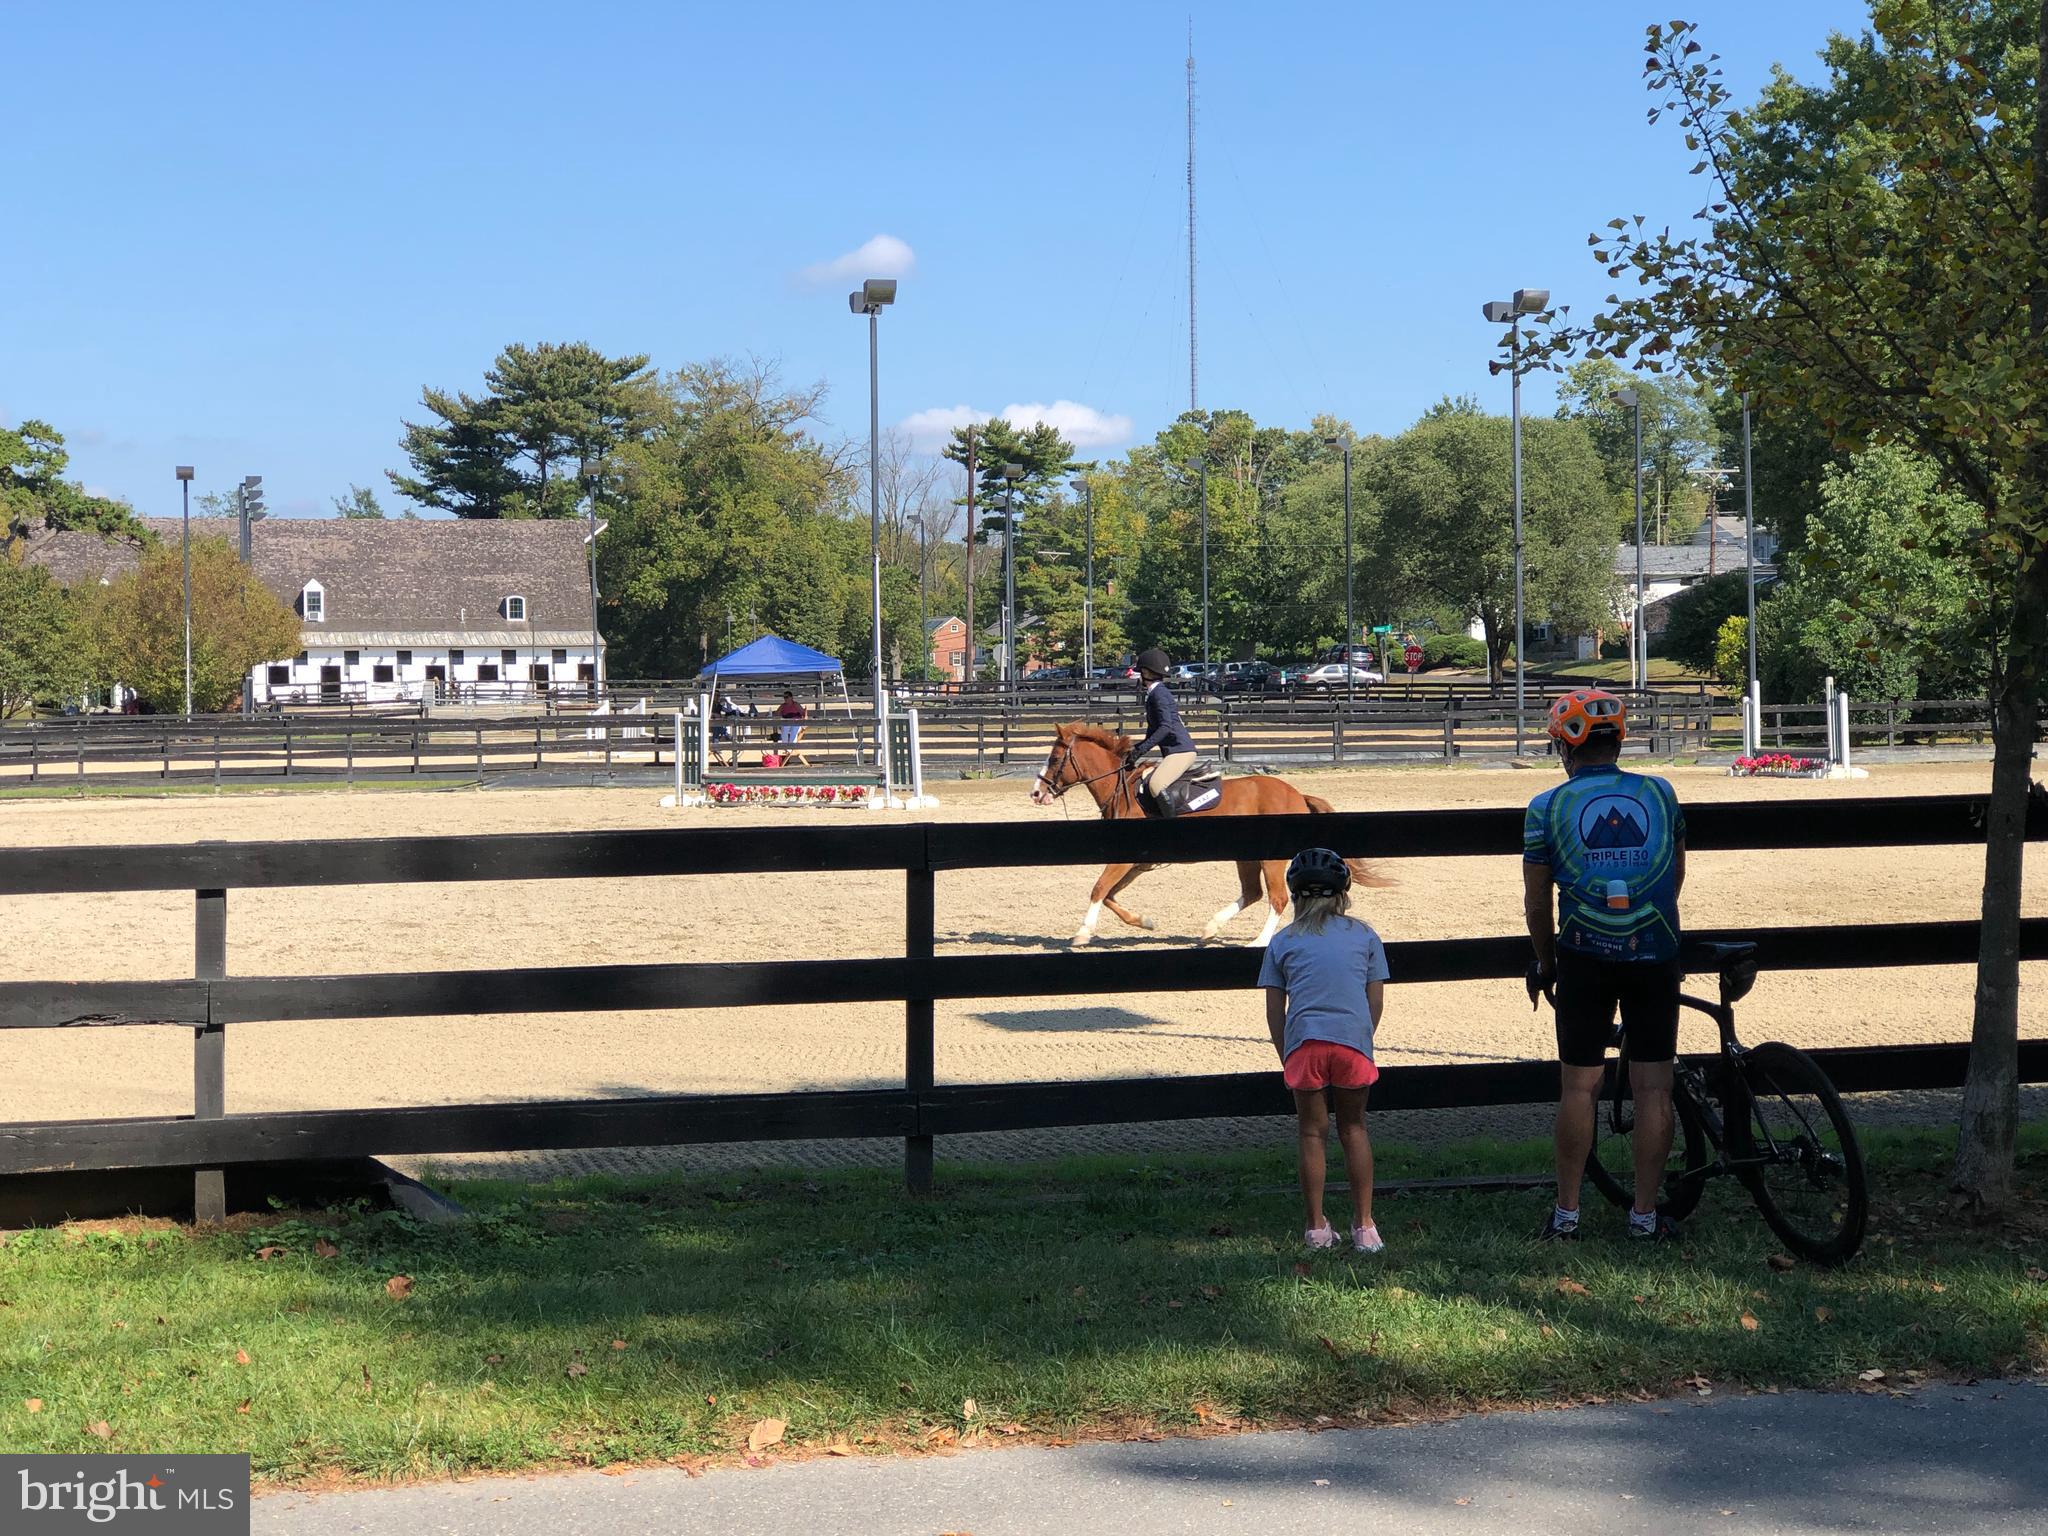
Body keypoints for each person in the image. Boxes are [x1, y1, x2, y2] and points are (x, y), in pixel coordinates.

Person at [1523, 687, 1687, 1243]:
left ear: (1565, 745)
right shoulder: (1661, 794)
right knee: (1654, 1088)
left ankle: (1566, 1215)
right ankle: (1643, 1216)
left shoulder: (1546, 807)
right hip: (1655, 949)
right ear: (1619, 739)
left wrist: (1546, 963)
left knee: (1578, 1088)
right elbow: (1675, 877)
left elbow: (1537, 902)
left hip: (1583, 953)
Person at [1258, 848, 1390, 1253]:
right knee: (1354, 1129)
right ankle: (1365, 1227)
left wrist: (1287, 1054)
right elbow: (1375, 1000)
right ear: (1343, 893)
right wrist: (1362, 1038)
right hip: (1352, 1043)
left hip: (1306, 1044)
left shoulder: (1283, 942)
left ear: (1295, 894)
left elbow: (1274, 1011)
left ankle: (1316, 1227)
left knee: (1312, 1133)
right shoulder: (1365, 936)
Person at [1125, 648, 1199, 816]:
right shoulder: (1155, 694)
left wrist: (1141, 750)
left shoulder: (1158, 694)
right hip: (1175, 751)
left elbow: (1165, 727)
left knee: (1156, 784)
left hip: (1181, 751)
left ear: (1146, 672)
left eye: (1141, 672)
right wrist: (1134, 750)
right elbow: (1152, 733)